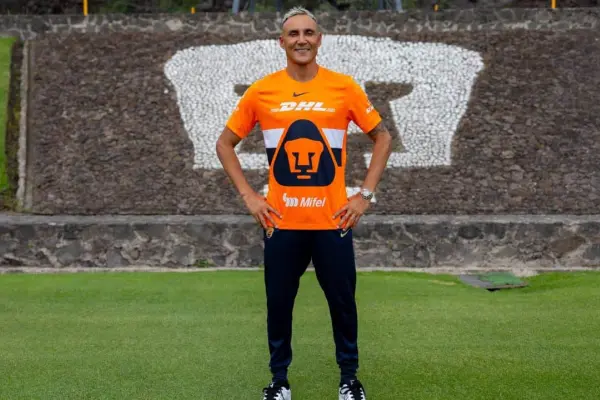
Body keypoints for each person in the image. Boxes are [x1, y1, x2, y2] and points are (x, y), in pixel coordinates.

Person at [215, 6, 393, 400]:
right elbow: (224, 144)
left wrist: (364, 196)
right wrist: (250, 197)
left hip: (333, 221)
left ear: (319, 39)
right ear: (281, 42)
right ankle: (279, 381)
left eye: (308, 33)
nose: (301, 40)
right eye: (293, 34)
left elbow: (382, 136)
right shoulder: (261, 91)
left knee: (343, 305)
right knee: (279, 305)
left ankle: (349, 379)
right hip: (281, 223)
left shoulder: (343, 87)